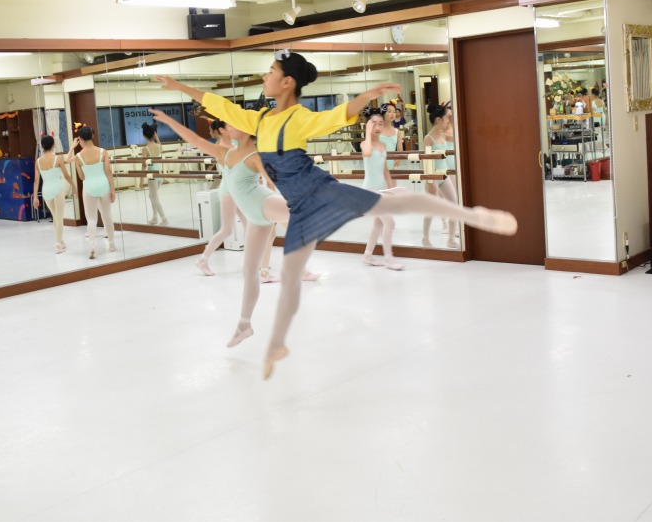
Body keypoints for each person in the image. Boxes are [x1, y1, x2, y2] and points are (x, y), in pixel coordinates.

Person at [156, 50, 516, 379]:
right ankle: (258, 333)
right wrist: (179, 86)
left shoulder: (298, 118)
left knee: (396, 203)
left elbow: (336, 116)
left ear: (287, 82)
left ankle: (472, 215)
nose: (265, 77)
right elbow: (219, 104)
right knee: (285, 274)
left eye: (271, 72)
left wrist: (366, 96)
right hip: (297, 205)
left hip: (317, 191)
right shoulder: (259, 120)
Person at [149, 108, 317, 348]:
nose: (227, 127)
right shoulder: (225, 152)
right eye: (227, 124)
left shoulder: (256, 155)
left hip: (264, 204)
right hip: (256, 218)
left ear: (246, 129)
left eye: (232, 123)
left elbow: (274, 180)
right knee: (250, 273)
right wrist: (168, 121)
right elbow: (195, 140)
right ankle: (244, 325)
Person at [194, 119, 248, 276]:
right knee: (226, 230)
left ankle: (250, 259)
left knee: (249, 225)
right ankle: (203, 259)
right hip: (229, 191)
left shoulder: (233, 144)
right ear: (222, 130)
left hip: (235, 190)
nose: (232, 129)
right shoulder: (222, 147)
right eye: (229, 127)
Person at [360, 106, 404, 270]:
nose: (377, 127)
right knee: (389, 222)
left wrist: (392, 190)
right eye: (373, 124)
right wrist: (367, 132)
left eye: (380, 124)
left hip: (381, 190)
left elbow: (385, 170)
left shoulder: (383, 145)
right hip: (369, 191)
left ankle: (367, 255)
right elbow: (367, 153)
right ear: (368, 125)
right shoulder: (365, 144)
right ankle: (389, 258)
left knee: (378, 224)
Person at [71, 125, 117, 259]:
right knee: (107, 215)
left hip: (89, 187)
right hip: (104, 185)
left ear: (80, 139)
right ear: (92, 136)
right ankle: (112, 244)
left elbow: (81, 177)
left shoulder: (78, 156)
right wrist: (113, 189)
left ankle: (92, 247)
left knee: (91, 219)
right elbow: (108, 172)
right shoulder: (103, 152)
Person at [423, 102, 460, 248]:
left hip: (444, 175)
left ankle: (450, 238)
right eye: (446, 118)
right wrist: (430, 181)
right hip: (433, 177)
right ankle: (425, 237)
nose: (448, 121)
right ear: (438, 120)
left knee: (454, 203)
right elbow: (427, 162)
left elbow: (457, 139)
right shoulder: (428, 138)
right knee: (431, 208)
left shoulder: (444, 135)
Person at [33, 134, 75, 254]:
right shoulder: (58, 159)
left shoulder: (38, 161)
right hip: (57, 189)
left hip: (46, 191)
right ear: (53, 145)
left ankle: (60, 241)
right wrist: (74, 186)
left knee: (55, 216)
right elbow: (66, 175)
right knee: (59, 217)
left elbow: (36, 181)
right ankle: (57, 244)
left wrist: (35, 197)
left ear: (42, 146)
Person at [141, 122, 168, 226]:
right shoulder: (157, 146)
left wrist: (141, 180)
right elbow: (161, 148)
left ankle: (164, 219)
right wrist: (157, 138)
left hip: (152, 174)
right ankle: (155, 217)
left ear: (144, 135)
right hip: (159, 173)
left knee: (154, 197)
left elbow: (144, 165)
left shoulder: (145, 149)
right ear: (153, 134)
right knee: (152, 196)